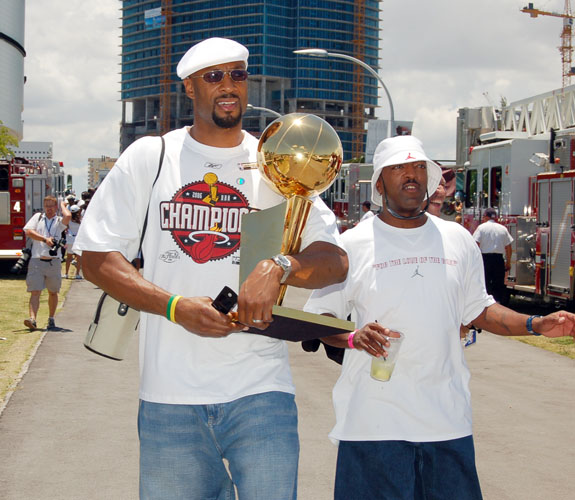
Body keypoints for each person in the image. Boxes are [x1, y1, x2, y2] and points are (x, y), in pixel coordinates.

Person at [74, 37, 347, 500]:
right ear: (189, 88)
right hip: (170, 396)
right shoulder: (151, 156)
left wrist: (281, 265)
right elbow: (95, 257)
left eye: (237, 75)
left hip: (261, 391)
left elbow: (335, 260)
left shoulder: (276, 160)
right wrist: (176, 307)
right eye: (213, 76)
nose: (228, 86)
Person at [304, 135, 575, 500]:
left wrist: (533, 324)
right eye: (399, 168)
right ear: (380, 183)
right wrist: (355, 337)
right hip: (372, 423)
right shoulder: (351, 245)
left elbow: (479, 309)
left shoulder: (458, 239)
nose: (412, 175)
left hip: (446, 421)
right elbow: (319, 318)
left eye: (419, 168)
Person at [23, 195, 71, 331]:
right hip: (37, 260)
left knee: (53, 292)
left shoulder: (59, 221)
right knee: (35, 291)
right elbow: (28, 231)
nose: (49, 209)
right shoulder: (38, 217)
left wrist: (63, 205)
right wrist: (45, 239)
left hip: (54, 262)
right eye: (47, 206)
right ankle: (33, 319)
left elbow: (68, 217)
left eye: (52, 206)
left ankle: (51, 318)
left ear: (56, 207)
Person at [473, 207, 513, 304]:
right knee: (498, 283)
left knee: (485, 282)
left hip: (485, 259)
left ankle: (485, 303)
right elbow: (508, 248)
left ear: (486, 216)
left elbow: (475, 245)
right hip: (498, 259)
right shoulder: (503, 229)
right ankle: (498, 303)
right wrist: (508, 262)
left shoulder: (481, 228)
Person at [63, 205, 82, 279]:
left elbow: (66, 228)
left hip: (70, 239)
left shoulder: (69, 220)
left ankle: (66, 273)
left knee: (69, 257)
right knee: (79, 257)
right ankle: (77, 274)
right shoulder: (80, 220)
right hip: (78, 240)